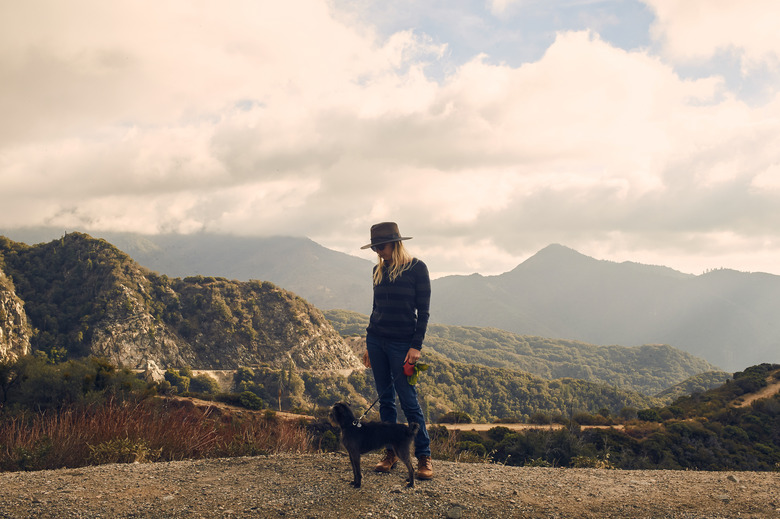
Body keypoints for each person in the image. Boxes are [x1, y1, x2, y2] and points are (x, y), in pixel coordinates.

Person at [360, 221, 433, 480]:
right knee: (385, 400)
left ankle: (423, 456)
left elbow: (423, 313)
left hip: (403, 345)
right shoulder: (377, 271)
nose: (378, 251)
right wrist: (368, 346)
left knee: (409, 401)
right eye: (374, 247)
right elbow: (375, 308)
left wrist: (416, 346)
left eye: (381, 246)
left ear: (396, 243)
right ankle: (390, 453)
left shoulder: (417, 269)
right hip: (376, 341)